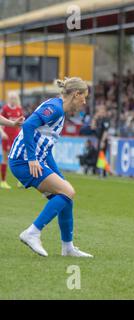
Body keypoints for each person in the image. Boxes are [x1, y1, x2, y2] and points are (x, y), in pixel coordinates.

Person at [9, 77, 93, 258]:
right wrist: (32, 159)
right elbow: (29, 125)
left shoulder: (59, 112)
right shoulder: (55, 109)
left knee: (66, 197)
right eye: (83, 97)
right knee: (68, 191)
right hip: (23, 161)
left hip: (30, 160)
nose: (84, 102)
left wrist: (59, 175)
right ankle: (32, 232)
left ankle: (68, 248)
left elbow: (46, 151)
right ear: (76, 94)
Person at [1, 92, 24, 189]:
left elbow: (21, 122)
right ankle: (3, 181)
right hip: (7, 136)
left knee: (18, 158)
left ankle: (21, 180)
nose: (13, 99)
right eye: (11, 98)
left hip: (16, 136)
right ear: (8, 99)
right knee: (6, 158)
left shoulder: (19, 109)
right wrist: (2, 133)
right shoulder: (5, 108)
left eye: (15, 98)